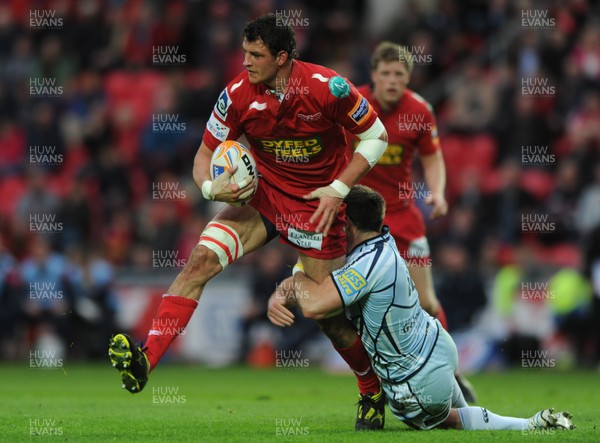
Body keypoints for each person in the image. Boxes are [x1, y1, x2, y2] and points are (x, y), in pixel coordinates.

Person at [108, 13, 389, 430]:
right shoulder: (238, 95)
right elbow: (204, 157)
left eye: (255, 54)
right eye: (244, 52)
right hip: (261, 198)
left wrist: (339, 189)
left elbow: (377, 136)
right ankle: (146, 358)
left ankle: (371, 390)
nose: (246, 62)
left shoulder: (327, 88)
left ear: (282, 57)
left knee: (325, 316)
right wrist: (209, 190)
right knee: (199, 261)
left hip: (316, 207)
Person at [268, 185, 575, 432]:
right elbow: (321, 287)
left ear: (346, 222)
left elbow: (315, 306)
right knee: (466, 419)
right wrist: (284, 290)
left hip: (416, 378)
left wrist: (295, 274)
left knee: (449, 421)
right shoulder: (383, 246)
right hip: (437, 347)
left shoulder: (367, 264)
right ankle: (526, 424)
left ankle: (528, 425)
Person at [347, 41, 476, 401]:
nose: (391, 80)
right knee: (354, 309)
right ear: (374, 75)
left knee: (427, 302)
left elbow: (433, 159)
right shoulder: (353, 105)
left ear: (408, 77)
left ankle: (453, 375)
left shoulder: (419, 110)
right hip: (357, 223)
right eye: (385, 73)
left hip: (403, 218)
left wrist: (438, 192)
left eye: (399, 74)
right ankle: (376, 388)